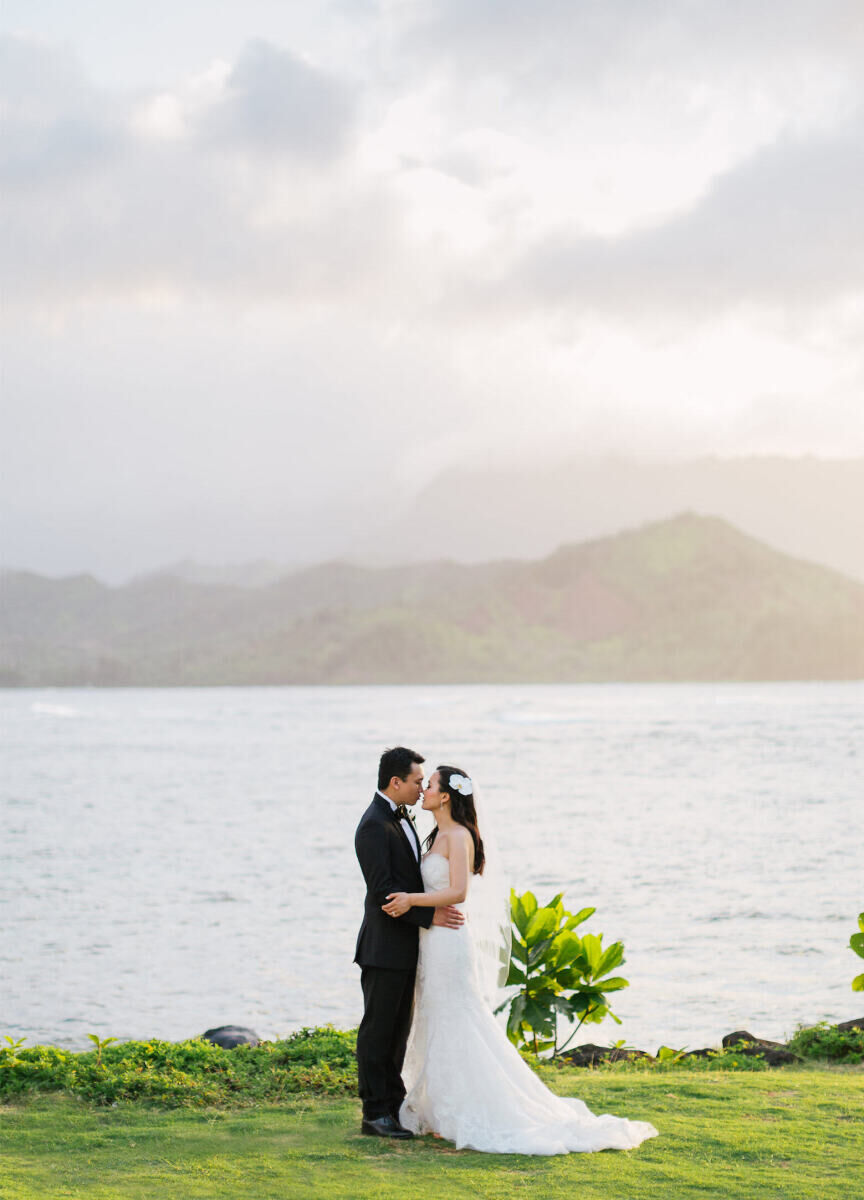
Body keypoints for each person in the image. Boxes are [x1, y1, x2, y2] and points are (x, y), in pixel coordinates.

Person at [381, 764, 659, 1155]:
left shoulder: (458, 836)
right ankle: (441, 1110)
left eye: (430, 785)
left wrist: (412, 901)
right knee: (436, 1018)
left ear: (445, 796)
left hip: (449, 941)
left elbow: (458, 891)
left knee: (455, 1019)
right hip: (432, 940)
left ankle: (471, 1109)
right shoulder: (437, 835)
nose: (424, 789)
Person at [354, 747, 464, 1139]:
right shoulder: (373, 826)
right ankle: (374, 1114)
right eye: (417, 781)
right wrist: (429, 915)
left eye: (425, 783)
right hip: (383, 948)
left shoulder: (402, 818)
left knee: (398, 1032)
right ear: (395, 782)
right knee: (378, 1032)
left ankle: (392, 1104)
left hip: (406, 947)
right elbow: (385, 893)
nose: (421, 788)